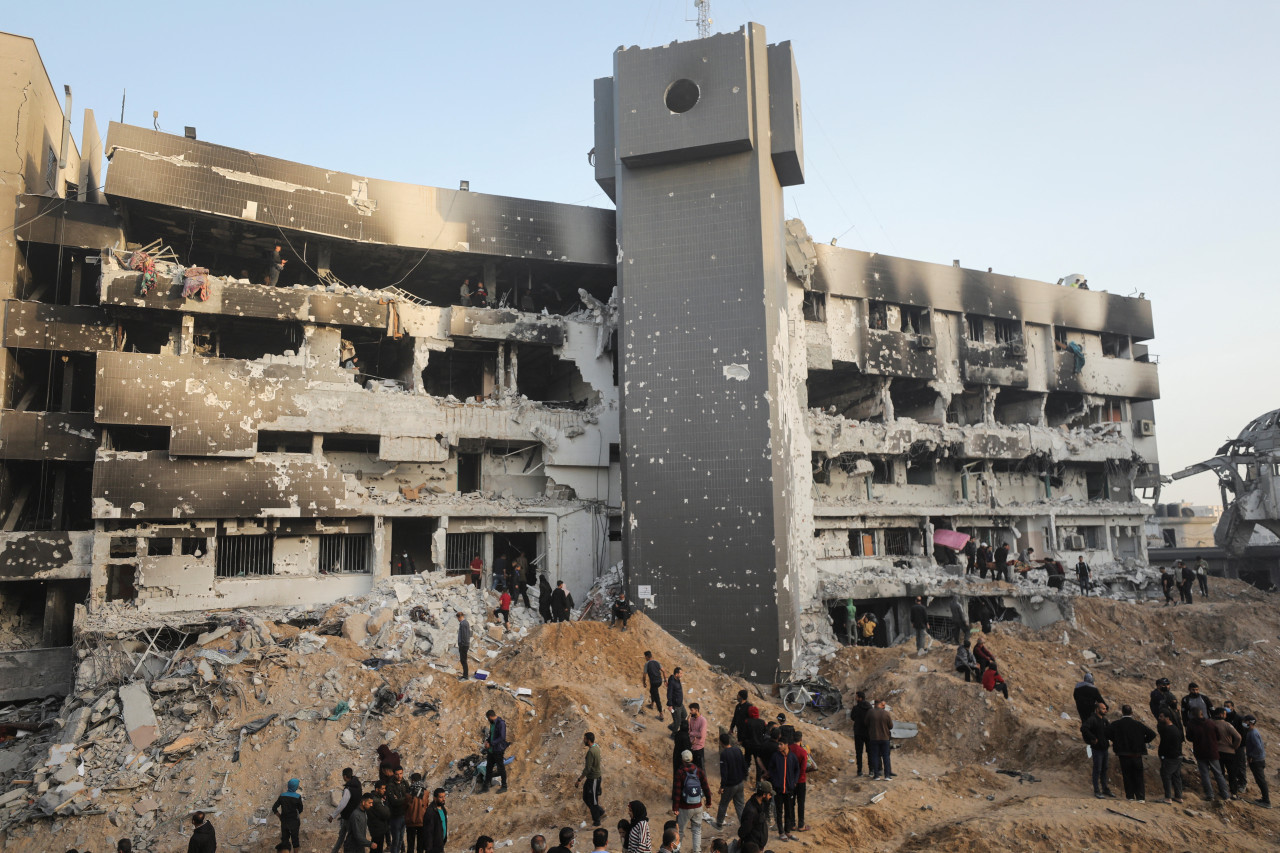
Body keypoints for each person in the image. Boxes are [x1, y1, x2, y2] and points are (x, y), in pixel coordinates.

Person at [1107, 705, 1156, 802]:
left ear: (1122, 712)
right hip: (1136, 754)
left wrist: (1116, 741)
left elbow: (1106, 733)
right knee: (1138, 776)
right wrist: (1143, 741)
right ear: (1132, 713)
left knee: (1127, 775)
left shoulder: (1116, 724)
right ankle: (1140, 797)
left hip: (1123, 754)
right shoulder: (1138, 724)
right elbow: (1152, 734)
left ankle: (1130, 796)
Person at [1187, 710, 1230, 803]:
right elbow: (1218, 736)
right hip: (1212, 752)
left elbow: (1189, 738)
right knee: (1218, 774)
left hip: (1200, 752)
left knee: (1204, 774)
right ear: (1202, 714)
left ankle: (1210, 795)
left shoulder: (1191, 724)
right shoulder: (1210, 723)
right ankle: (1225, 794)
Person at [672, 749, 708, 853]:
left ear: (682, 760)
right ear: (692, 759)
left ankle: (677, 850)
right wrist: (709, 802)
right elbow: (706, 787)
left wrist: (675, 808)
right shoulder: (699, 771)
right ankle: (697, 851)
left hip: (684, 807)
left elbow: (677, 791)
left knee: (680, 831)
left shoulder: (680, 772)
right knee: (697, 830)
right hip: (698, 806)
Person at [766, 737, 800, 841]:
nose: (778, 746)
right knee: (779, 811)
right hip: (779, 789)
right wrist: (775, 780)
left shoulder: (792, 757)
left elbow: (797, 769)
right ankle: (781, 832)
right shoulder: (775, 756)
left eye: (781, 744)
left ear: (786, 745)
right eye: (778, 744)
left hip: (789, 789)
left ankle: (787, 832)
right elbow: (771, 769)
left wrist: (794, 782)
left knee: (789, 811)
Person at [1081, 700, 1114, 799]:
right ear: (1097, 709)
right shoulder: (1092, 719)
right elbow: (1084, 728)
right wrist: (1093, 738)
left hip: (1104, 749)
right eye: (1103, 709)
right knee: (1097, 769)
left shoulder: (1104, 720)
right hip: (1097, 749)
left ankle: (1105, 788)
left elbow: (1109, 730)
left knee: (1104, 769)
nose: (1105, 710)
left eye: (1105, 709)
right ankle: (1097, 790)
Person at [1209, 707, 1243, 798]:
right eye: (1224, 714)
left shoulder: (1210, 723)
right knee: (1232, 773)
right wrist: (1234, 746)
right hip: (1229, 752)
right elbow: (1238, 737)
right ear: (1221, 714)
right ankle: (1234, 793)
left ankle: (1223, 791)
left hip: (1216, 751)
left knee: (1220, 773)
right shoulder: (1227, 725)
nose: (1226, 715)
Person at [715, 732, 747, 828]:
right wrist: (744, 777)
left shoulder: (724, 754)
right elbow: (744, 765)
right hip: (740, 782)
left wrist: (722, 786)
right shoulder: (737, 750)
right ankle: (744, 823)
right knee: (740, 805)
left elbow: (724, 772)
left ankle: (719, 823)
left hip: (730, 785)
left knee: (723, 804)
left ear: (721, 742)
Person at [330, 767, 363, 853]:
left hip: (348, 817)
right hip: (354, 815)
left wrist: (333, 816)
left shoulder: (348, 789)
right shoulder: (358, 785)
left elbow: (342, 804)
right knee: (343, 835)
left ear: (345, 776)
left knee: (347, 837)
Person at [1241, 715, 1271, 808]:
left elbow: (1258, 748)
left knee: (1261, 781)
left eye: (1245, 722)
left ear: (1250, 722)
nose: (1244, 723)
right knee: (1260, 780)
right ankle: (1264, 799)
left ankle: (1266, 802)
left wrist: (1251, 757)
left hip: (1257, 760)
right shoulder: (1252, 732)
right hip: (1258, 759)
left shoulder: (1253, 733)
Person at [1156, 711, 1185, 804]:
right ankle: (1178, 796)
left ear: (1168, 718)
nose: (1159, 718)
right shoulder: (1175, 729)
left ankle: (1168, 798)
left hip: (1171, 757)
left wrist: (1162, 756)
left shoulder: (1168, 730)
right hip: (1178, 756)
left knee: (1166, 775)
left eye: (1161, 716)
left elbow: (1165, 745)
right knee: (1176, 776)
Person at [576, 732, 605, 827]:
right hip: (592, 779)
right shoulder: (596, 747)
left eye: (584, 739)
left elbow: (587, 769)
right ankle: (600, 812)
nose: (583, 740)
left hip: (594, 779)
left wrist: (579, 779)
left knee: (593, 801)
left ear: (588, 740)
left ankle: (597, 822)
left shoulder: (591, 752)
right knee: (585, 797)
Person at [738, 781, 772, 852]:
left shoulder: (760, 803)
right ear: (764, 795)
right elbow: (745, 829)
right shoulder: (751, 810)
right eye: (770, 794)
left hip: (758, 845)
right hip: (753, 848)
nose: (770, 796)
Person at [272, 778, 304, 853]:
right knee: (295, 840)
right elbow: (300, 809)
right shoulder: (297, 797)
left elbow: (274, 808)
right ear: (295, 787)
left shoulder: (282, 796)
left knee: (285, 841)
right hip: (294, 822)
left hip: (284, 821)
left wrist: (280, 816)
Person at [866, 698, 893, 781]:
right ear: (880, 704)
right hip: (885, 738)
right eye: (883, 705)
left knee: (875, 756)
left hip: (874, 738)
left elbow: (866, 723)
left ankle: (876, 775)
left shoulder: (870, 712)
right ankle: (887, 775)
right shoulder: (886, 713)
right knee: (886, 757)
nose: (884, 706)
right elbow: (891, 726)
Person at [483, 710, 509, 793]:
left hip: (498, 750)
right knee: (488, 768)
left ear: (490, 717)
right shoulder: (492, 724)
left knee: (501, 768)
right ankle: (485, 787)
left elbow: (502, 737)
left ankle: (504, 786)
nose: (488, 720)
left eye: (488, 718)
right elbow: (491, 735)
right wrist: (487, 741)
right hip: (491, 750)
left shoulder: (501, 723)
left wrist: (491, 743)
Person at [790, 729, 811, 833]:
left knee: (791, 802)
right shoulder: (803, 752)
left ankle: (792, 824)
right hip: (801, 780)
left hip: (790, 780)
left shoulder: (788, 749)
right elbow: (803, 769)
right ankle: (801, 825)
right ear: (801, 739)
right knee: (801, 803)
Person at [384, 768, 408, 853]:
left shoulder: (405, 783)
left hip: (404, 815)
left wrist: (400, 799)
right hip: (395, 817)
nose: (399, 776)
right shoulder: (390, 786)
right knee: (396, 841)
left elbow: (409, 797)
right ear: (394, 774)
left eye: (401, 773)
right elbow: (394, 802)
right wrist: (405, 799)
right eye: (397, 774)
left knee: (401, 839)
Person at [402, 775, 428, 853]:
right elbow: (426, 805)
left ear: (412, 781)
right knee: (420, 846)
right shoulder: (425, 792)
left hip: (410, 822)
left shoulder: (408, 793)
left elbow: (404, 807)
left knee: (410, 846)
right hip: (422, 821)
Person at [849, 691, 872, 775]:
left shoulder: (856, 708)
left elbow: (852, 717)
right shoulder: (869, 708)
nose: (855, 698)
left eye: (856, 697)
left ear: (860, 698)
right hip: (868, 733)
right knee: (870, 752)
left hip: (858, 732)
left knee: (859, 752)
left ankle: (859, 770)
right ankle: (871, 770)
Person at [367, 782, 391, 852]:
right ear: (377, 789)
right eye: (382, 789)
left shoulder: (377, 798)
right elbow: (386, 814)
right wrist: (386, 806)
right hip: (377, 828)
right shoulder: (376, 801)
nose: (384, 790)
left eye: (385, 788)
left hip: (378, 828)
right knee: (376, 849)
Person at [422, 788, 447, 853]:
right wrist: (429, 849)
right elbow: (428, 832)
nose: (443, 799)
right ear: (435, 798)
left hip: (440, 845)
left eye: (444, 796)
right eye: (441, 797)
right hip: (433, 848)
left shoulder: (443, 809)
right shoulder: (431, 811)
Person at [643, 652, 666, 720]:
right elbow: (664, 671)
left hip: (654, 682)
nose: (645, 658)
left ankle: (661, 714)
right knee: (651, 690)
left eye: (645, 657)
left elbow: (644, 675)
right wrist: (665, 680)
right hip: (659, 681)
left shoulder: (647, 664)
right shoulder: (657, 662)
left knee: (656, 697)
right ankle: (652, 704)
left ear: (647, 657)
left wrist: (644, 682)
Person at [666, 668, 687, 733]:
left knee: (684, 715)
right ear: (676, 674)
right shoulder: (672, 682)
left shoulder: (675, 678)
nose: (682, 675)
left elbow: (669, 677)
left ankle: (672, 726)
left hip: (680, 704)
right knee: (677, 721)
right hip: (675, 706)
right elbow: (669, 694)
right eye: (680, 673)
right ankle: (674, 734)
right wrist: (670, 705)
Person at [688, 703, 707, 770]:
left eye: (691, 710)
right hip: (691, 747)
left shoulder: (703, 720)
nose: (690, 712)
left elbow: (701, 734)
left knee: (700, 769)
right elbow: (688, 731)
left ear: (696, 710)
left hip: (699, 748)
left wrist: (692, 733)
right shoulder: (691, 720)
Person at [456, 612, 471, 680]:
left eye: (458, 618)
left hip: (464, 645)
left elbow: (464, 635)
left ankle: (465, 676)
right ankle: (465, 675)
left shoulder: (463, 624)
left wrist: (462, 644)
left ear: (460, 617)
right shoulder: (465, 623)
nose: (458, 619)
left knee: (463, 660)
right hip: (464, 644)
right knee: (463, 660)